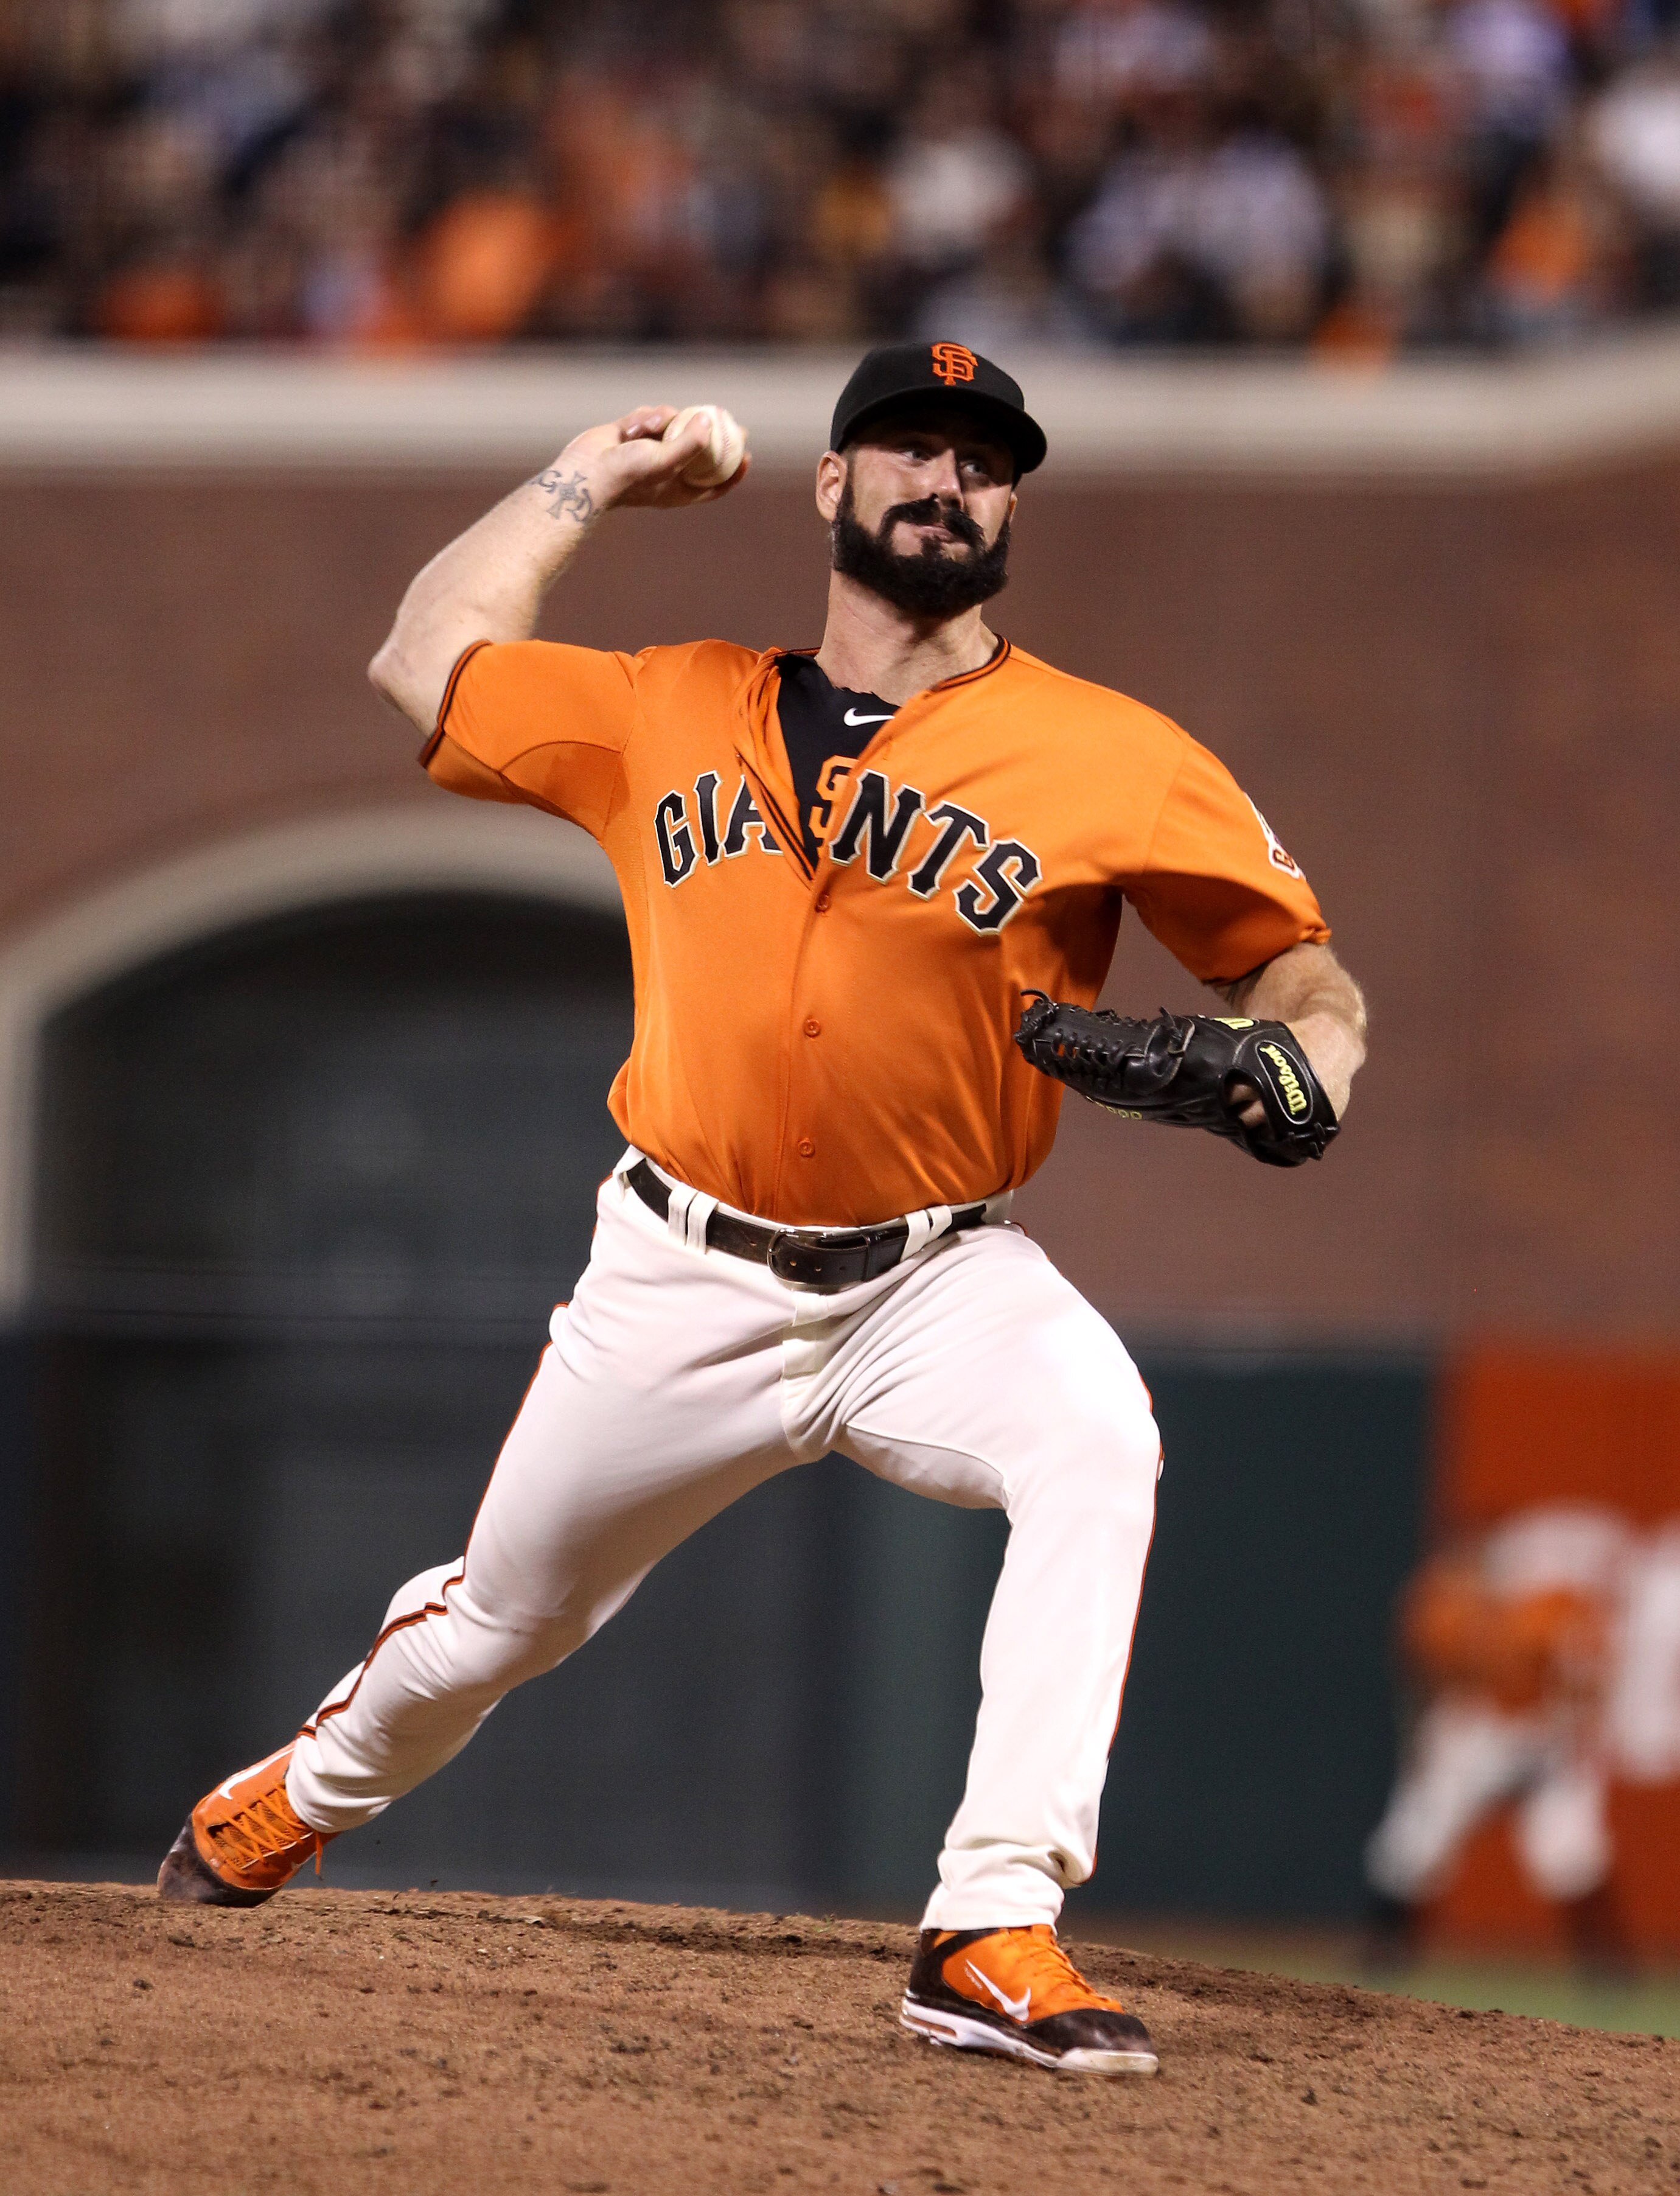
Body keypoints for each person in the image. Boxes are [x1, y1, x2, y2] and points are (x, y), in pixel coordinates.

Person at [156, 341, 1368, 2079]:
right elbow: (421, 658)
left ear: (1010, 508)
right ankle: (299, 1791)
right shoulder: (669, 703)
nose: (946, 482)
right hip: (678, 1270)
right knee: (505, 1622)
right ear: (831, 483)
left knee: (1098, 1439)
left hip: (934, 1276)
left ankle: (989, 1922)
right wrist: (588, 475)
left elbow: (1303, 973)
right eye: (909, 447)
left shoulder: (1114, 753)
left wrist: (1309, 1063)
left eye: (983, 462)